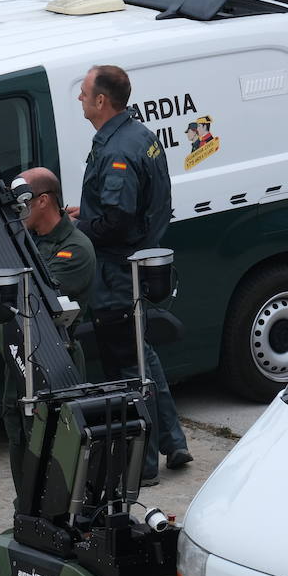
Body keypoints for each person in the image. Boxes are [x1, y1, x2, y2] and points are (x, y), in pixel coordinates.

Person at [67, 65, 192, 484]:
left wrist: (78, 228)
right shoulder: (140, 136)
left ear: (102, 101)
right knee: (143, 358)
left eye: (84, 94)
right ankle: (173, 441)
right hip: (137, 264)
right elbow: (132, 207)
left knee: (125, 368)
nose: (80, 100)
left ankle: (144, 464)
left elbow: (118, 221)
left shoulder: (118, 150)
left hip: (117, 273)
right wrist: (89, 212)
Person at [1, 168, 96, 486]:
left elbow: (38, 301)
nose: (18, 211)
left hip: (57, 361)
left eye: (22, 203)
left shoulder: (75, 249)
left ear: (42, 201)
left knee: (55, 448)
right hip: (21, 357)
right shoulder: (26, 241)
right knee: (19, 437)